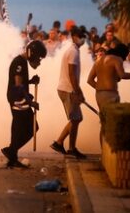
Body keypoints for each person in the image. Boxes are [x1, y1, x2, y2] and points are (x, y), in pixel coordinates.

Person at [1, 40, 46, 168]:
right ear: (32, 53)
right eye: (38, 57)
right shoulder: (19, 63)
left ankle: (12, 155)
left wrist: (31, 81)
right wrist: (30, 102)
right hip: (18, 99)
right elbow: (18, 85)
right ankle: (11, 151)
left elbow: (22, 82)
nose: (39, 61)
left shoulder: (22, 62)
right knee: (31, 127)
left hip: (18, 98)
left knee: (19, 128)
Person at [50, 26, 87, 159]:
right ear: (75, 37)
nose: (83, 39)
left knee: (76, 119)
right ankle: (69, 148)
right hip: (68, 89)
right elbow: (72, 74)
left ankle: (60, 143)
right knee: (76, 119)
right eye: (81, 36)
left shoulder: (73, 50)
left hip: (66, 88)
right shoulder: (73, 52)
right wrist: (78, 92)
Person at [86, 43, 130, 111]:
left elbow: (89, 80)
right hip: (110, 94)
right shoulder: (117, 59)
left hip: (99, 95)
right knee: (113, 119)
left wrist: (101, 88)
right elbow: (122, 75)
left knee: (104, 119)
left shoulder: (98, 61)